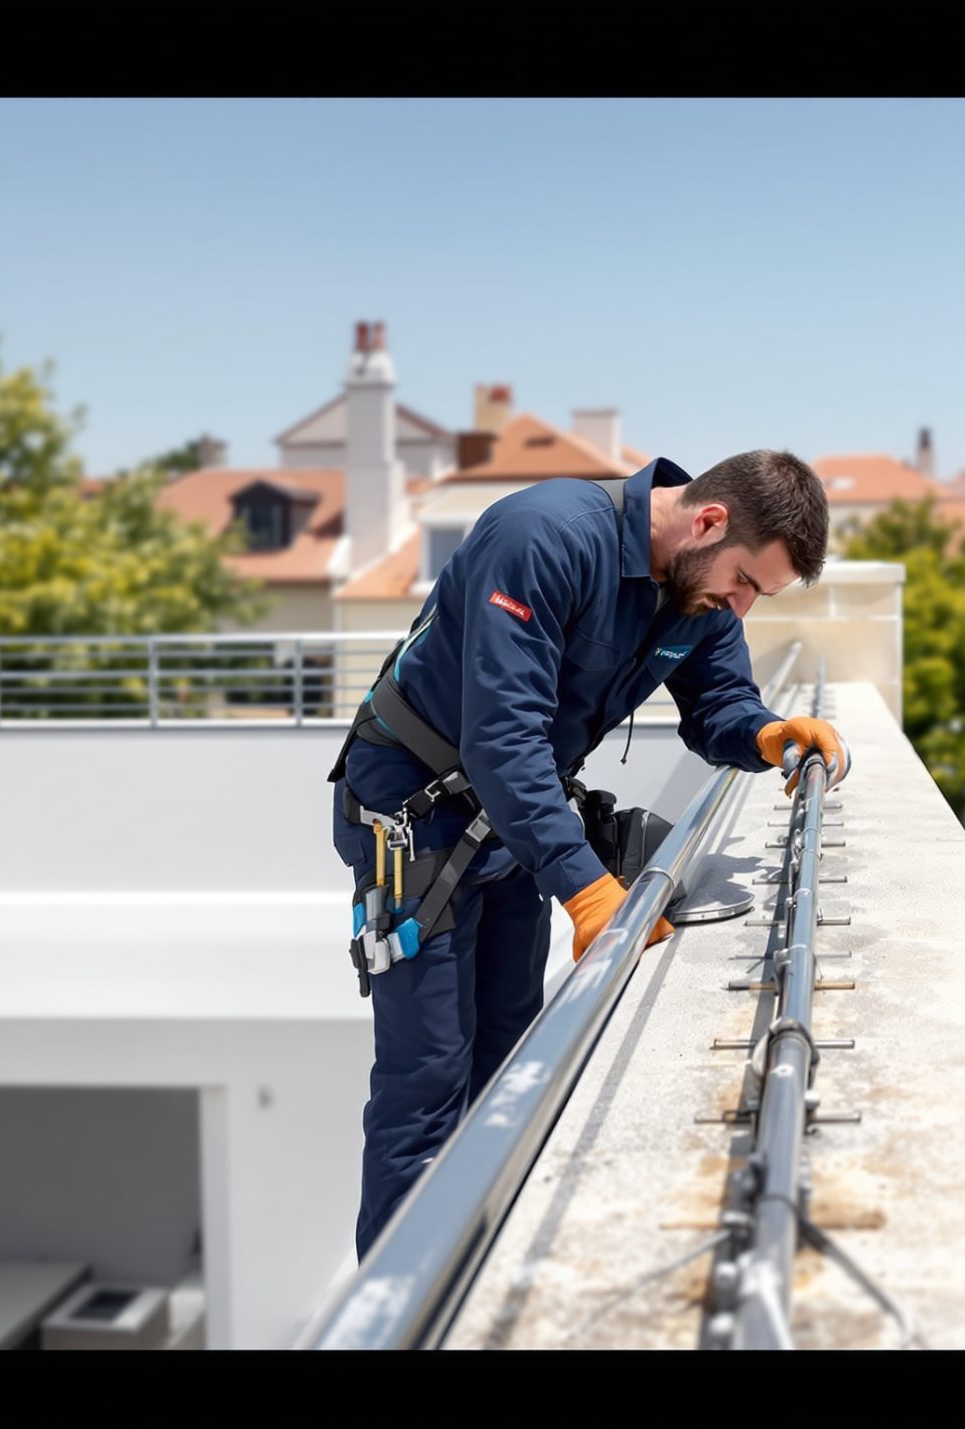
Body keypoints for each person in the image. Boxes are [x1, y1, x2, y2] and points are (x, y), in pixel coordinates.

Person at [326, 449, 850, 1257]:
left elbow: (718, 701)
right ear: (709, 521)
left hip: (514, 819)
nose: (741, 607)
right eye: (745, 582)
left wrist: (767, 734)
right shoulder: (543, 537)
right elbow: (502, 737)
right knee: (427, 1077)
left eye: (758, 596)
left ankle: (479, 1260)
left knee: (507, 1053)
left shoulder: (699, 586)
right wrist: (585, 887)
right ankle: (397, 1292)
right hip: (416, 816)